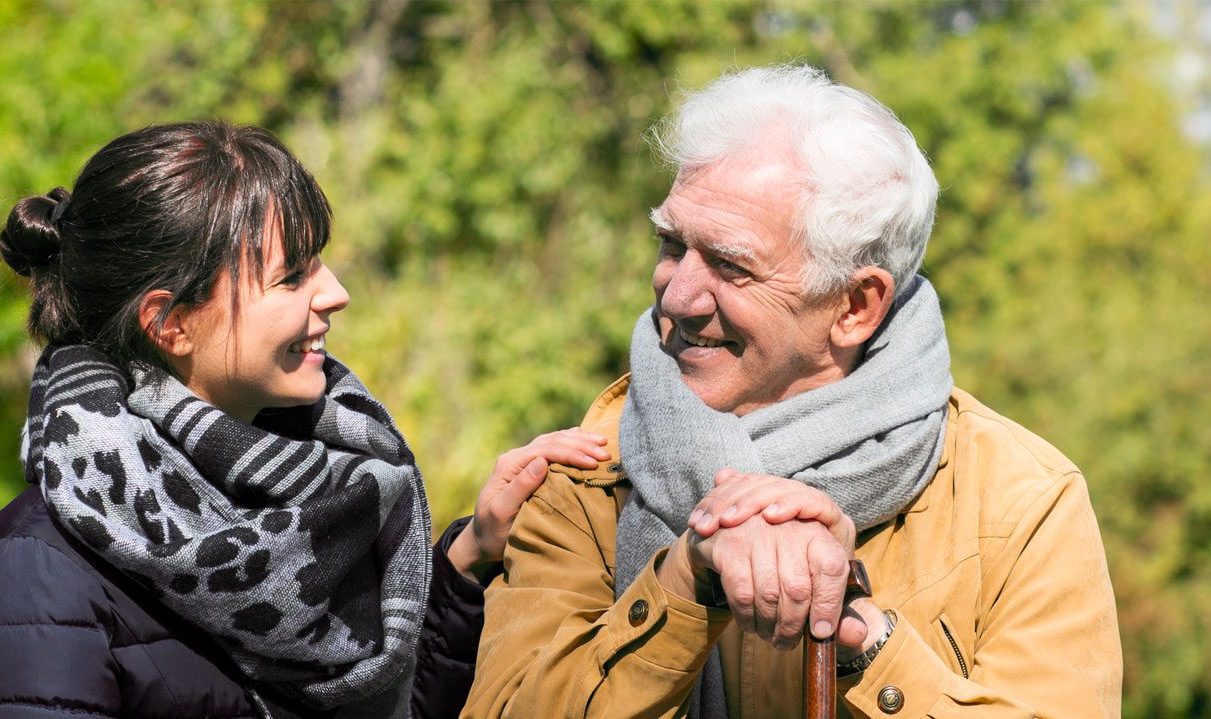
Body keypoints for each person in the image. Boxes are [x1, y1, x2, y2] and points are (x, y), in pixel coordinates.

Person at [463, 64, 1121, 718]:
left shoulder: (1021, 499)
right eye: (671, 243)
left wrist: (858, 637)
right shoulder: (583, 477)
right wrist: (687, 580)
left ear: (855, 307)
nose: (678, 294)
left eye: (729, 264)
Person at [0, 121, 608, 719]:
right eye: (292, 276)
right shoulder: (32, 578)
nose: (335, 291)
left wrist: (469, 558)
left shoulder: (309, 502)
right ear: (171, 323)